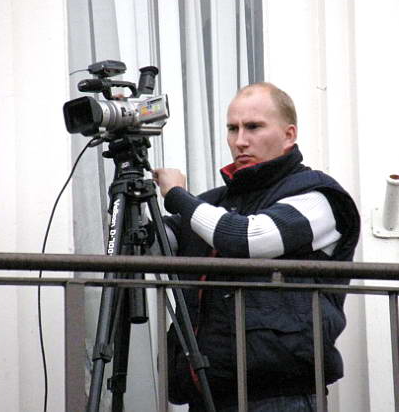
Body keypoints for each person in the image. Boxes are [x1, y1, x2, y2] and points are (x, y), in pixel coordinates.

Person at [153, 82, 360, 411]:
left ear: (289, 135)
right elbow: (151, 247)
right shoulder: (211, 205)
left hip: (280, 396)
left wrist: (177, 196)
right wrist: (130, 195)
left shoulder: (319, 196)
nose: (240, 141)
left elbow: (245, 238)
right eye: (232, 129)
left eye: (253, 127)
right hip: (207, 393)